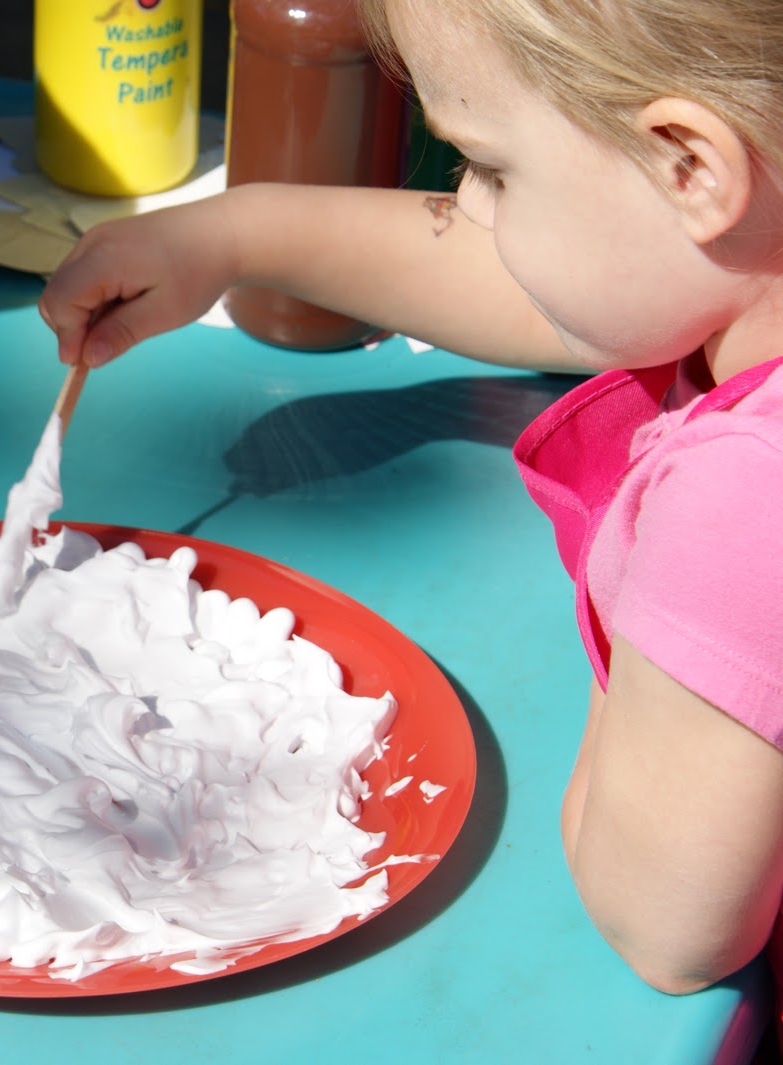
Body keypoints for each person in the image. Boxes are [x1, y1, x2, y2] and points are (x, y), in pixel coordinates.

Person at [40, 0, 783, 1013]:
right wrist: (228, 235)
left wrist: (654, 550)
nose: (471, 208)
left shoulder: (751, 491)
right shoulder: (732, 273)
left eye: (490, 168)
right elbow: (570, 278)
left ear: (688, 166)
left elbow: (664, 926)